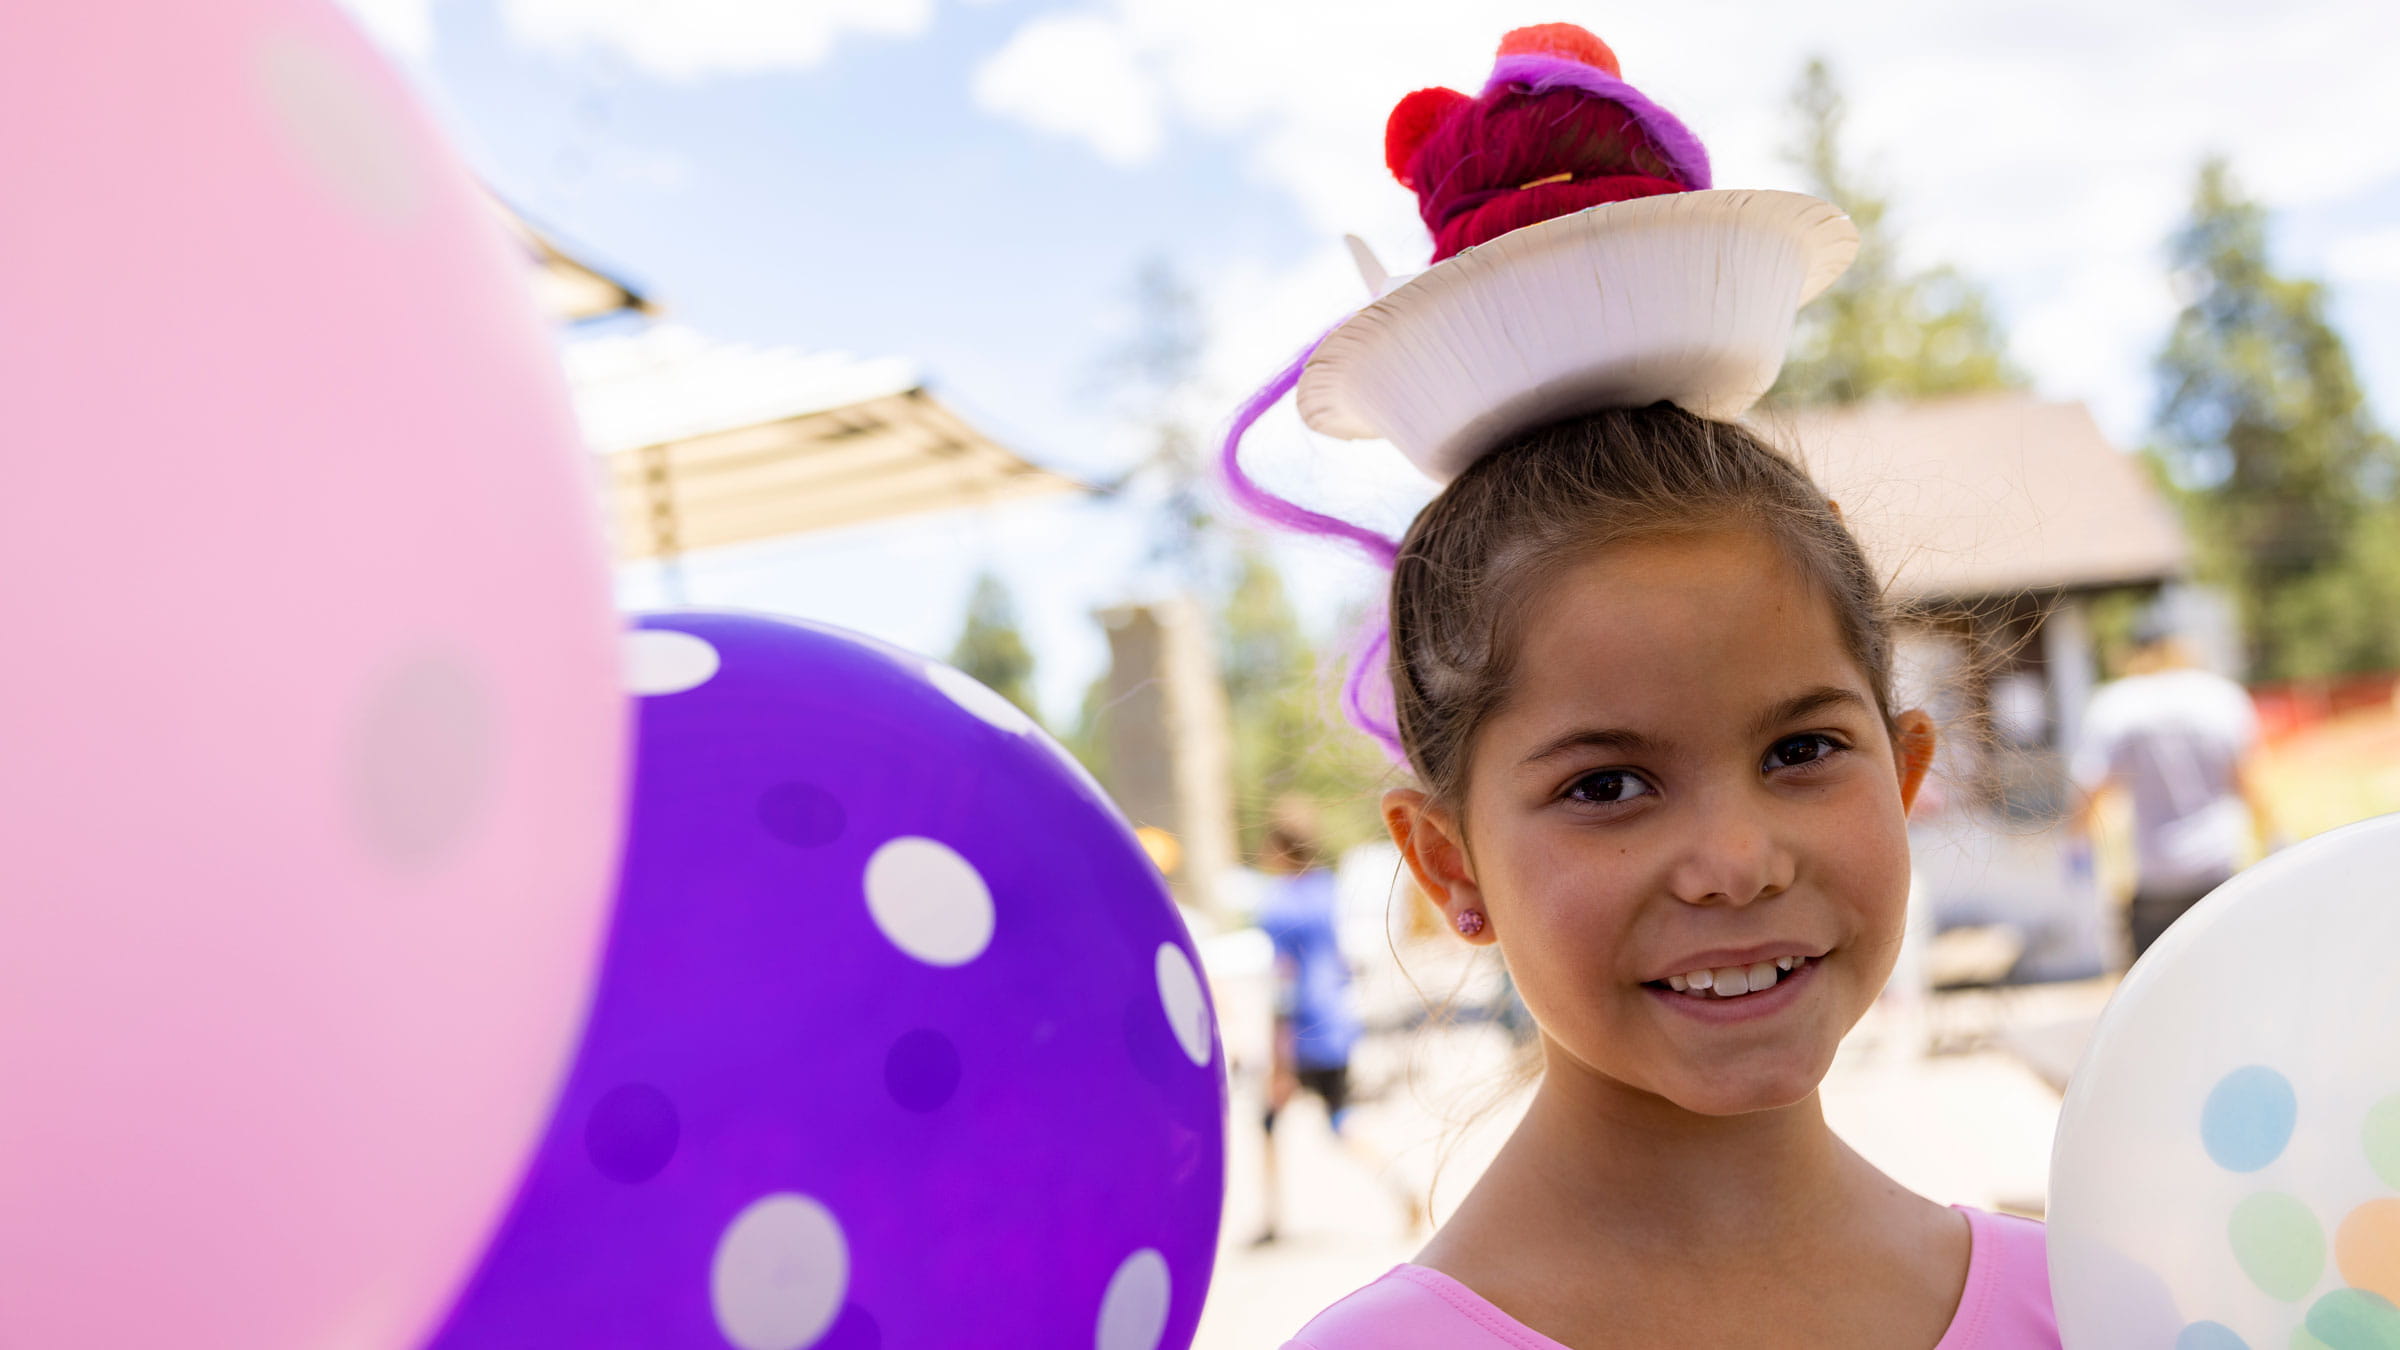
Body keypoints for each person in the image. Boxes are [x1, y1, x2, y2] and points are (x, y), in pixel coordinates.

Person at [1217, 22, 2060, 1349]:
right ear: (1451, 869)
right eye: (1607, 783)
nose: (1732, 860)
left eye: (1800, 751)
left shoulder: (2107, 1301)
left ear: (1904, 774)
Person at [1250, 803, 1418, 1245]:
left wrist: (1278, 1059)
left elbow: (1283, 985)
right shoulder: (1328, 891)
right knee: (1336, 1119)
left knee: (1282, 1121)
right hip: (1337, 1023)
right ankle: (1402, 1188)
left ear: (1281, 850)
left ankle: (1272, 1221)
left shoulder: (1279, 905)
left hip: (1305, 1029)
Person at [2069, 606, 2272, 960]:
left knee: (2156, 996)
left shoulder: (2117, 703)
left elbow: (2092, 790)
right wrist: (2274, 840)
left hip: (2155, 875)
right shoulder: (2220, 697)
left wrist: (2077, 852)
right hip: (2218, 867)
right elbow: (2249, 782)